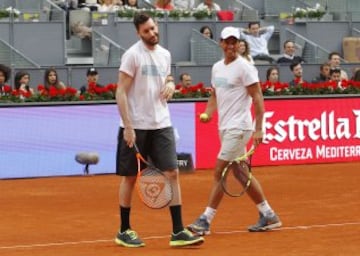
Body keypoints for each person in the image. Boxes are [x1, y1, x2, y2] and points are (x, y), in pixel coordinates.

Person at [114, 12, 204, 248]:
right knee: (131, 178)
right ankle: (124, 230)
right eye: (147, 31)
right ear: (138, 33)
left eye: (154, 28)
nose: (152, 33)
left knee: (172, 173)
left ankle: (178, 231)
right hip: (136, 126)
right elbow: (120, 91)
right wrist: (128, 126)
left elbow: (167, 76)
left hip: (162, 123)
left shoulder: (165, 54)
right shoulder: (132, 55)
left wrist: (172, 84)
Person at [187, 26, 282, 235]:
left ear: (239, 44)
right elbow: (214, 95)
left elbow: (258, 97)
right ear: (221, 43)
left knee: (219, 171)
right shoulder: (217, 68)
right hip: (226, 127)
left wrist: (259, 129)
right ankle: (268, 215)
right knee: (240, 173)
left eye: (234, 42)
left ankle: (205, 220)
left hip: (240, 127)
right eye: (227, 42)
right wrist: (208, 113)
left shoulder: (245, 67)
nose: (231, 45)